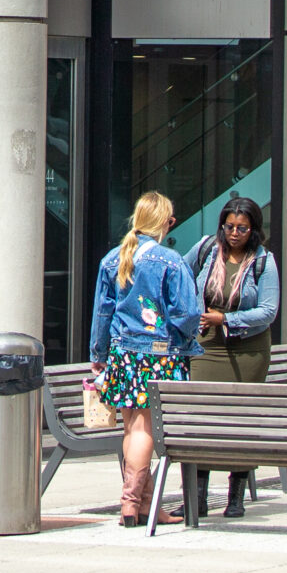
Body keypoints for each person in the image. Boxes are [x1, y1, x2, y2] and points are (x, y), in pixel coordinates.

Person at [86, 190, 204, 527]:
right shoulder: (170, 261)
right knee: (146, 431)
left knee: (131, 429)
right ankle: (130, 502)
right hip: (158, 356)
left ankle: (146, 506)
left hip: (123, 356)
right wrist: (185, 340)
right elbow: (186, 313)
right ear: (165, 222)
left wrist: (100, 354)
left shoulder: (112, 259)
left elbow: (102, 314)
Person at [184, 194, 279, 518]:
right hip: (207, 345)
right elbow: (180, 272)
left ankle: (235, 495)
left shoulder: (264, 261)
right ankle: (197, 497)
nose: (234, 233)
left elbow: (268, 311)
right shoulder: (208, 248)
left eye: (242, 228)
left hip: (248, 347)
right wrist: (192, 311)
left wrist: (227, 319)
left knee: (241, 418)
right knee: (201, 418)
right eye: (229, 227)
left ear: (253, 229)